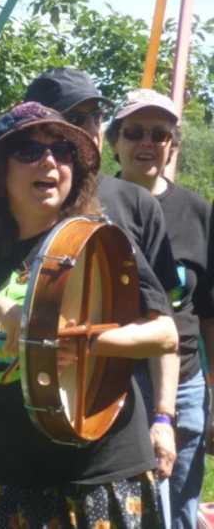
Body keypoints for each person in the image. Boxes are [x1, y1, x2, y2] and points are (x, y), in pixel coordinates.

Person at [0, 102, 178, 528]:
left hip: (106, 469)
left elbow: (164, 333)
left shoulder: (103, 241)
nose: (50, 162)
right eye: (29, 152)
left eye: (62, 151)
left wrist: (65, 340)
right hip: (12, 474)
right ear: (0, 170)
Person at [25, 68, 180, 523]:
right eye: (73, 117)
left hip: (117, 422)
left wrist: (164, 418)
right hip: (31, 444)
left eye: (94, 115)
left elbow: (162, 323)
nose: (88, 128)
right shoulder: (19, 204)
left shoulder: (134, 204)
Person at [106, 88, 214, 529]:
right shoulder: (92, 203)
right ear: (114, 141)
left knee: (180, 513)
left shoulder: (198, 213)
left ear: (173, 144)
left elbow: (208, 313)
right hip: (113, 383)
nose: (147, 143)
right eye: (134, 133)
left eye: (160, 134)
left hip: (184, 382)